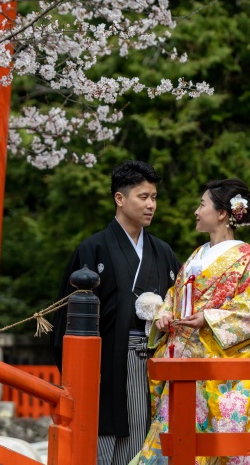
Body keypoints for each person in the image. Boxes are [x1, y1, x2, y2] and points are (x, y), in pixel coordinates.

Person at [133, 178, 250, 465]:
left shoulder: (245, 260)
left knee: (219, 445)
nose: (196, 212)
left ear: (222, 213)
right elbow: (174, 294)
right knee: (176, 441)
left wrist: (209, 318)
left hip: (218, 365)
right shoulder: (197, 255)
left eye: (202, 205)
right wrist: (165, 314)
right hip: (185, 362)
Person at [50, 160, 182, 465]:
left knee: (147, 438)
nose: (151, 205)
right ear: (119, 198)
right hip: (106, 363)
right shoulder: (93, 249)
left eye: (154, 197)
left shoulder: (163, 252)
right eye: (143, 197)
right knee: (105, 439)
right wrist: (81, 372)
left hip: (154, 363)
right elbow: (67, 321)